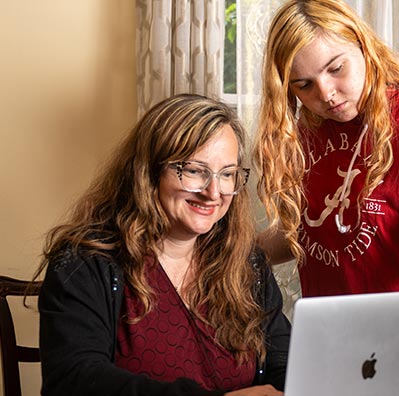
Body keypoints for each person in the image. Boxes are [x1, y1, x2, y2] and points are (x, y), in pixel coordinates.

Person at [254, 1, 399, 395]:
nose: (326, 93)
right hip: (336, 334)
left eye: (335, 68)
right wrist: (230, 252)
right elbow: (308, 230)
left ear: (363, 45)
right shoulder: (305, 132)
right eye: (303, 84)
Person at [35, 94, 290, 396]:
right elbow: (73, 380)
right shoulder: (85, 262)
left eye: (227, 174)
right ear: (149, 172)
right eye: (194, 170)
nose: (213, 192)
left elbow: (283, 361)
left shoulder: (246, 262)